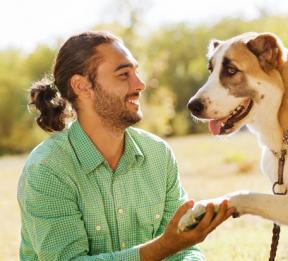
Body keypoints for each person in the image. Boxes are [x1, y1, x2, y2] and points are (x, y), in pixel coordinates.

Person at [17, 31, 235, 260]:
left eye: (136, 72)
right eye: (123, 75)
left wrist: (182, 248)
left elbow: (184, 250)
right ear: (82, 86)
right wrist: (162, 247)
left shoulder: (157, 155)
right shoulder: (48, 169)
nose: (140, 84)